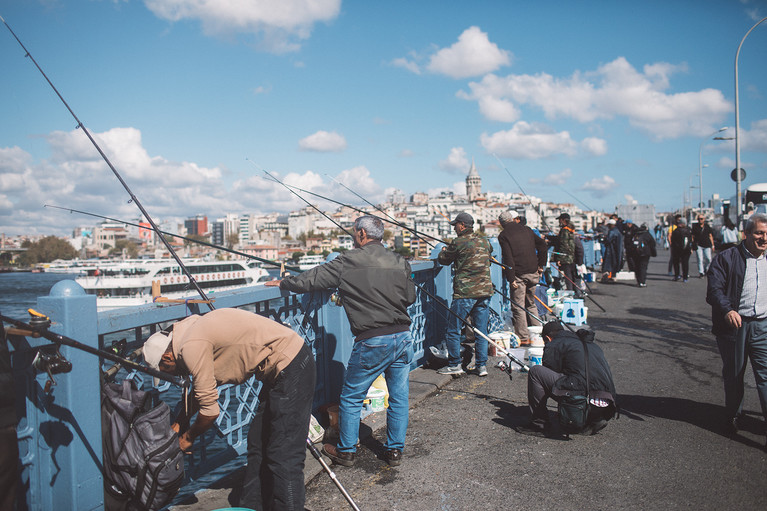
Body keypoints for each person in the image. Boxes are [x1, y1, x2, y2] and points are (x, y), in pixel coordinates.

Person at [266, 215, 415, 468]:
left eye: (353, 232)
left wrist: (284, 282)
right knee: (399, 397)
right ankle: (394, 452)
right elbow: (409, 296)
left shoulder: (348, 261)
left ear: (361, 235)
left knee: (351, 397)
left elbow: (312, 280)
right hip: (403, 336)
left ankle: (346, 450)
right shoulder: (400, 261)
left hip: (372, 340)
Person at [142, 308, 315, 511]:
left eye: (168, 371)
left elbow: (210, 412)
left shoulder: (191, 347)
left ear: (168, 358)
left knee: (283, 453)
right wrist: (181, 420)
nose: (175, 377)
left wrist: (188, 437)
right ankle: (252, 507)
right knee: (257, 442)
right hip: (277, 371)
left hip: (291, 364)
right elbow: (203, 385)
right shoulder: (184, 332)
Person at [706, 213, 767, 448]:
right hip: (734, 325)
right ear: (746, 234)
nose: (763, 238)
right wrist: (727, 310)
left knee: (765, 376)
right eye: (759, 233)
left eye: (766, 233)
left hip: (762, 325)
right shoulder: (727, 258)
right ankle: (733, 414)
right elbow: (715, 290)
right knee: (734, 374)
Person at [517, 321, 617, 436]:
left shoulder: (555, 344)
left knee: (536, 372)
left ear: (548, 338)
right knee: (580, 379)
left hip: (583, 399)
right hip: (607, 401)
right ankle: (593, 419)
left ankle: (540, 424)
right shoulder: (590, 344)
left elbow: (550, 374)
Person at [436, 212, 493, 376]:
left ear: (462, 225)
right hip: (485, 291)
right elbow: (489, 250)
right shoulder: (484, 240)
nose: (454, 228)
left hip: (465, 293)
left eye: (455, 225)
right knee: (481, 330)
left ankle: (455, 364)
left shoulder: (458, 242)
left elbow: (444, 259)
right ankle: (481, 366)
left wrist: (444, 250)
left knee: (453, 330)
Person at [498, 210, 548, 345]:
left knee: (518, 306)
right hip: (533, 271)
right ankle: (538, 334)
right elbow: (543, 246)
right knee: (531, 304)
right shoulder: (527, 230)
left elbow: (508, 258)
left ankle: (524, 337)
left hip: (519, 274)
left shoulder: (503, 235)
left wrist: (511, 278)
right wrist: (541, 265)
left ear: (502, 223)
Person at [552, 213, 576, 290]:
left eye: (560, 220)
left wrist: (559, 258)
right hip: (571, 256)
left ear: (563, 220)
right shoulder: (570, 229)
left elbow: (563, 244)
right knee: (570, 275)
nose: (559, 222)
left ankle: (569, 292)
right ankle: (573, 291)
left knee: (566, 276)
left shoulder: (564, 230)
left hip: (565, 257)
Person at [600, 219, 623, 283]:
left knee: (607, 264)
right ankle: (613, 276)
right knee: (615, 264)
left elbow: (608, 240)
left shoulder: (612, 232)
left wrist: (604, 239)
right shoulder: (618, 231)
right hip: (617, 251)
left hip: (610, 250)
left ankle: (605, 277)